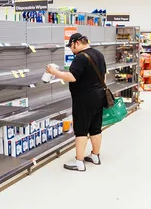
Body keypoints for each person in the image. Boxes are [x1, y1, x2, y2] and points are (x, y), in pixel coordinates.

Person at [46, 33, 107, 172]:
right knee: (95, 128)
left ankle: (79, 162)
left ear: (77, 43)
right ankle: (95, 155)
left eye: (71, 47)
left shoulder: (80, 57)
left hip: (84, 98)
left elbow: (72, 77)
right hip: (99, 95)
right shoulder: (98, 54)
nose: (71, 50)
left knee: (81, 129)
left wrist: (55, 72)